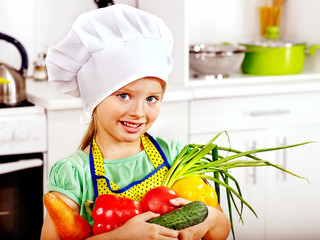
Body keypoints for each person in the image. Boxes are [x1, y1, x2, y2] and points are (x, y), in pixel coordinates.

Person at [40, 4, 231, 240]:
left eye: (152, 98)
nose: (139, 112)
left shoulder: (174, 155)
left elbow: (220, 231)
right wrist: (121, 236)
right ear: (95, 99)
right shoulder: (74, 173)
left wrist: (211, 218)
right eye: (124, 96)